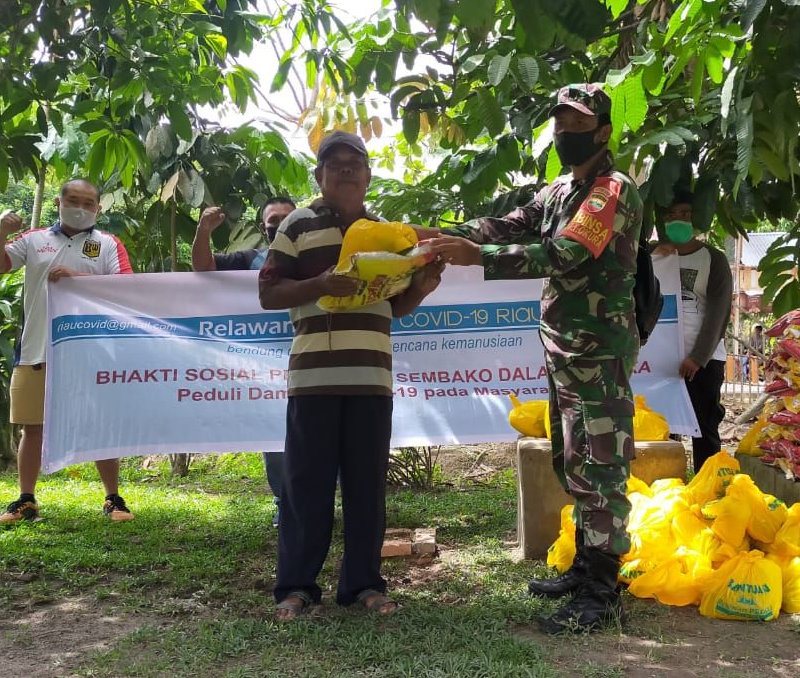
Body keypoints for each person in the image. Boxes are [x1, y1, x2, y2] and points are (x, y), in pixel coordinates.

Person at [422, 84, 644, 635]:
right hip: (564, 348)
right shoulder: (560, 189)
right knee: (571, 461)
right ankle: (586, 564)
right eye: (560, 124)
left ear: (603, 132)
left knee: (599, 468)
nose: (565, 133)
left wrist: (482, 257)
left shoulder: (611, 190)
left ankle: (601, 591)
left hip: (597, 351)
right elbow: (513, 222)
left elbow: (568, 251)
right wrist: (450, 235)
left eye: (577, 124)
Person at [258, 130, 443, 620]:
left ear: (367, 175)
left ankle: (363, 584)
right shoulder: (296, 225)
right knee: (305, 486)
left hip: (370, 378)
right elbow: (268, 293)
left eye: (354, 164)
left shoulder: (387, 233)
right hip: (313, 378)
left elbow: (396, 305)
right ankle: (296, 587)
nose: (345, 171)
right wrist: (320, 283)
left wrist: (421, 286)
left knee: (367, 487)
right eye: (334, 164)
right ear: (319, 176)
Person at [0, 179, 135, 524]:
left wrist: (77, 278)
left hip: (93, 350)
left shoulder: (108, 244)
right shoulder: (34, 239)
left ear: (98, 207)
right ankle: (26, 500)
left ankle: (114, 499)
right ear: (59, 202)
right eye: (73, 200)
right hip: (37, 347)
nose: (80, 207)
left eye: (88, 203)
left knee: (100, 425)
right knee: (32, 427)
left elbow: (125, 288)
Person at [192, 195, 298, 529]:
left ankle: (321, 502)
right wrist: (203, 231)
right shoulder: (249, 260)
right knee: (275, 439)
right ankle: (286, 504)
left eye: (288, 220)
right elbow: (203, 269)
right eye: (273, 222)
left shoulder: (322, 258)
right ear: (263, 228)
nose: (280, 226)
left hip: (316, 360)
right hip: (265, 370)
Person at [652, 190, 732, 472]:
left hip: (704, 361)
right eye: (671, 215)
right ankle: (665, 489)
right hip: (661, 359)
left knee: (704, 426)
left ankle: (707, 487)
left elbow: (718, 313)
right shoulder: (651, 256)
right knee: (660, 428)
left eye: (685, 213)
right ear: (662, 220)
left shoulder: (713, 259)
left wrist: (697, 357)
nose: (679, 219)